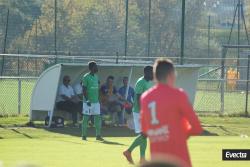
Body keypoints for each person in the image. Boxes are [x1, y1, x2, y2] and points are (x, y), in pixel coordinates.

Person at [140, 58, 203, 167]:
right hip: (179, 160)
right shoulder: (178, 95)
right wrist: (181, 133)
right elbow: (196, 127)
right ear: (171, 75)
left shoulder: (145, 98)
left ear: (155, 76)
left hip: (157, 161)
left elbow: (145, 130)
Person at [123, 66, 154, 164]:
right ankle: (128, 151)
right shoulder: (141, 82)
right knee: (145, 134)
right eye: (152, 72)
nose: (153, 74)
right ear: (146, 72)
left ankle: (142, 158)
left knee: (144, 135)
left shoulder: (149, 82)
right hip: (140, 112)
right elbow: (139, 98)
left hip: (145, 111)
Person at [81, 61, 104, 141]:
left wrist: (99, 99)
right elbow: (83, 89)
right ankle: (84, 136)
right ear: (91, 68)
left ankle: (98, 135)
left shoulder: (96, 76)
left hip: (96, 102)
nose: (97, 68)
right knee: (86, 118)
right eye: (95, 66)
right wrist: (87, 99)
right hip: (88, 102)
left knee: (98, 118)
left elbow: (97, 89)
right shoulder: (86, 77)